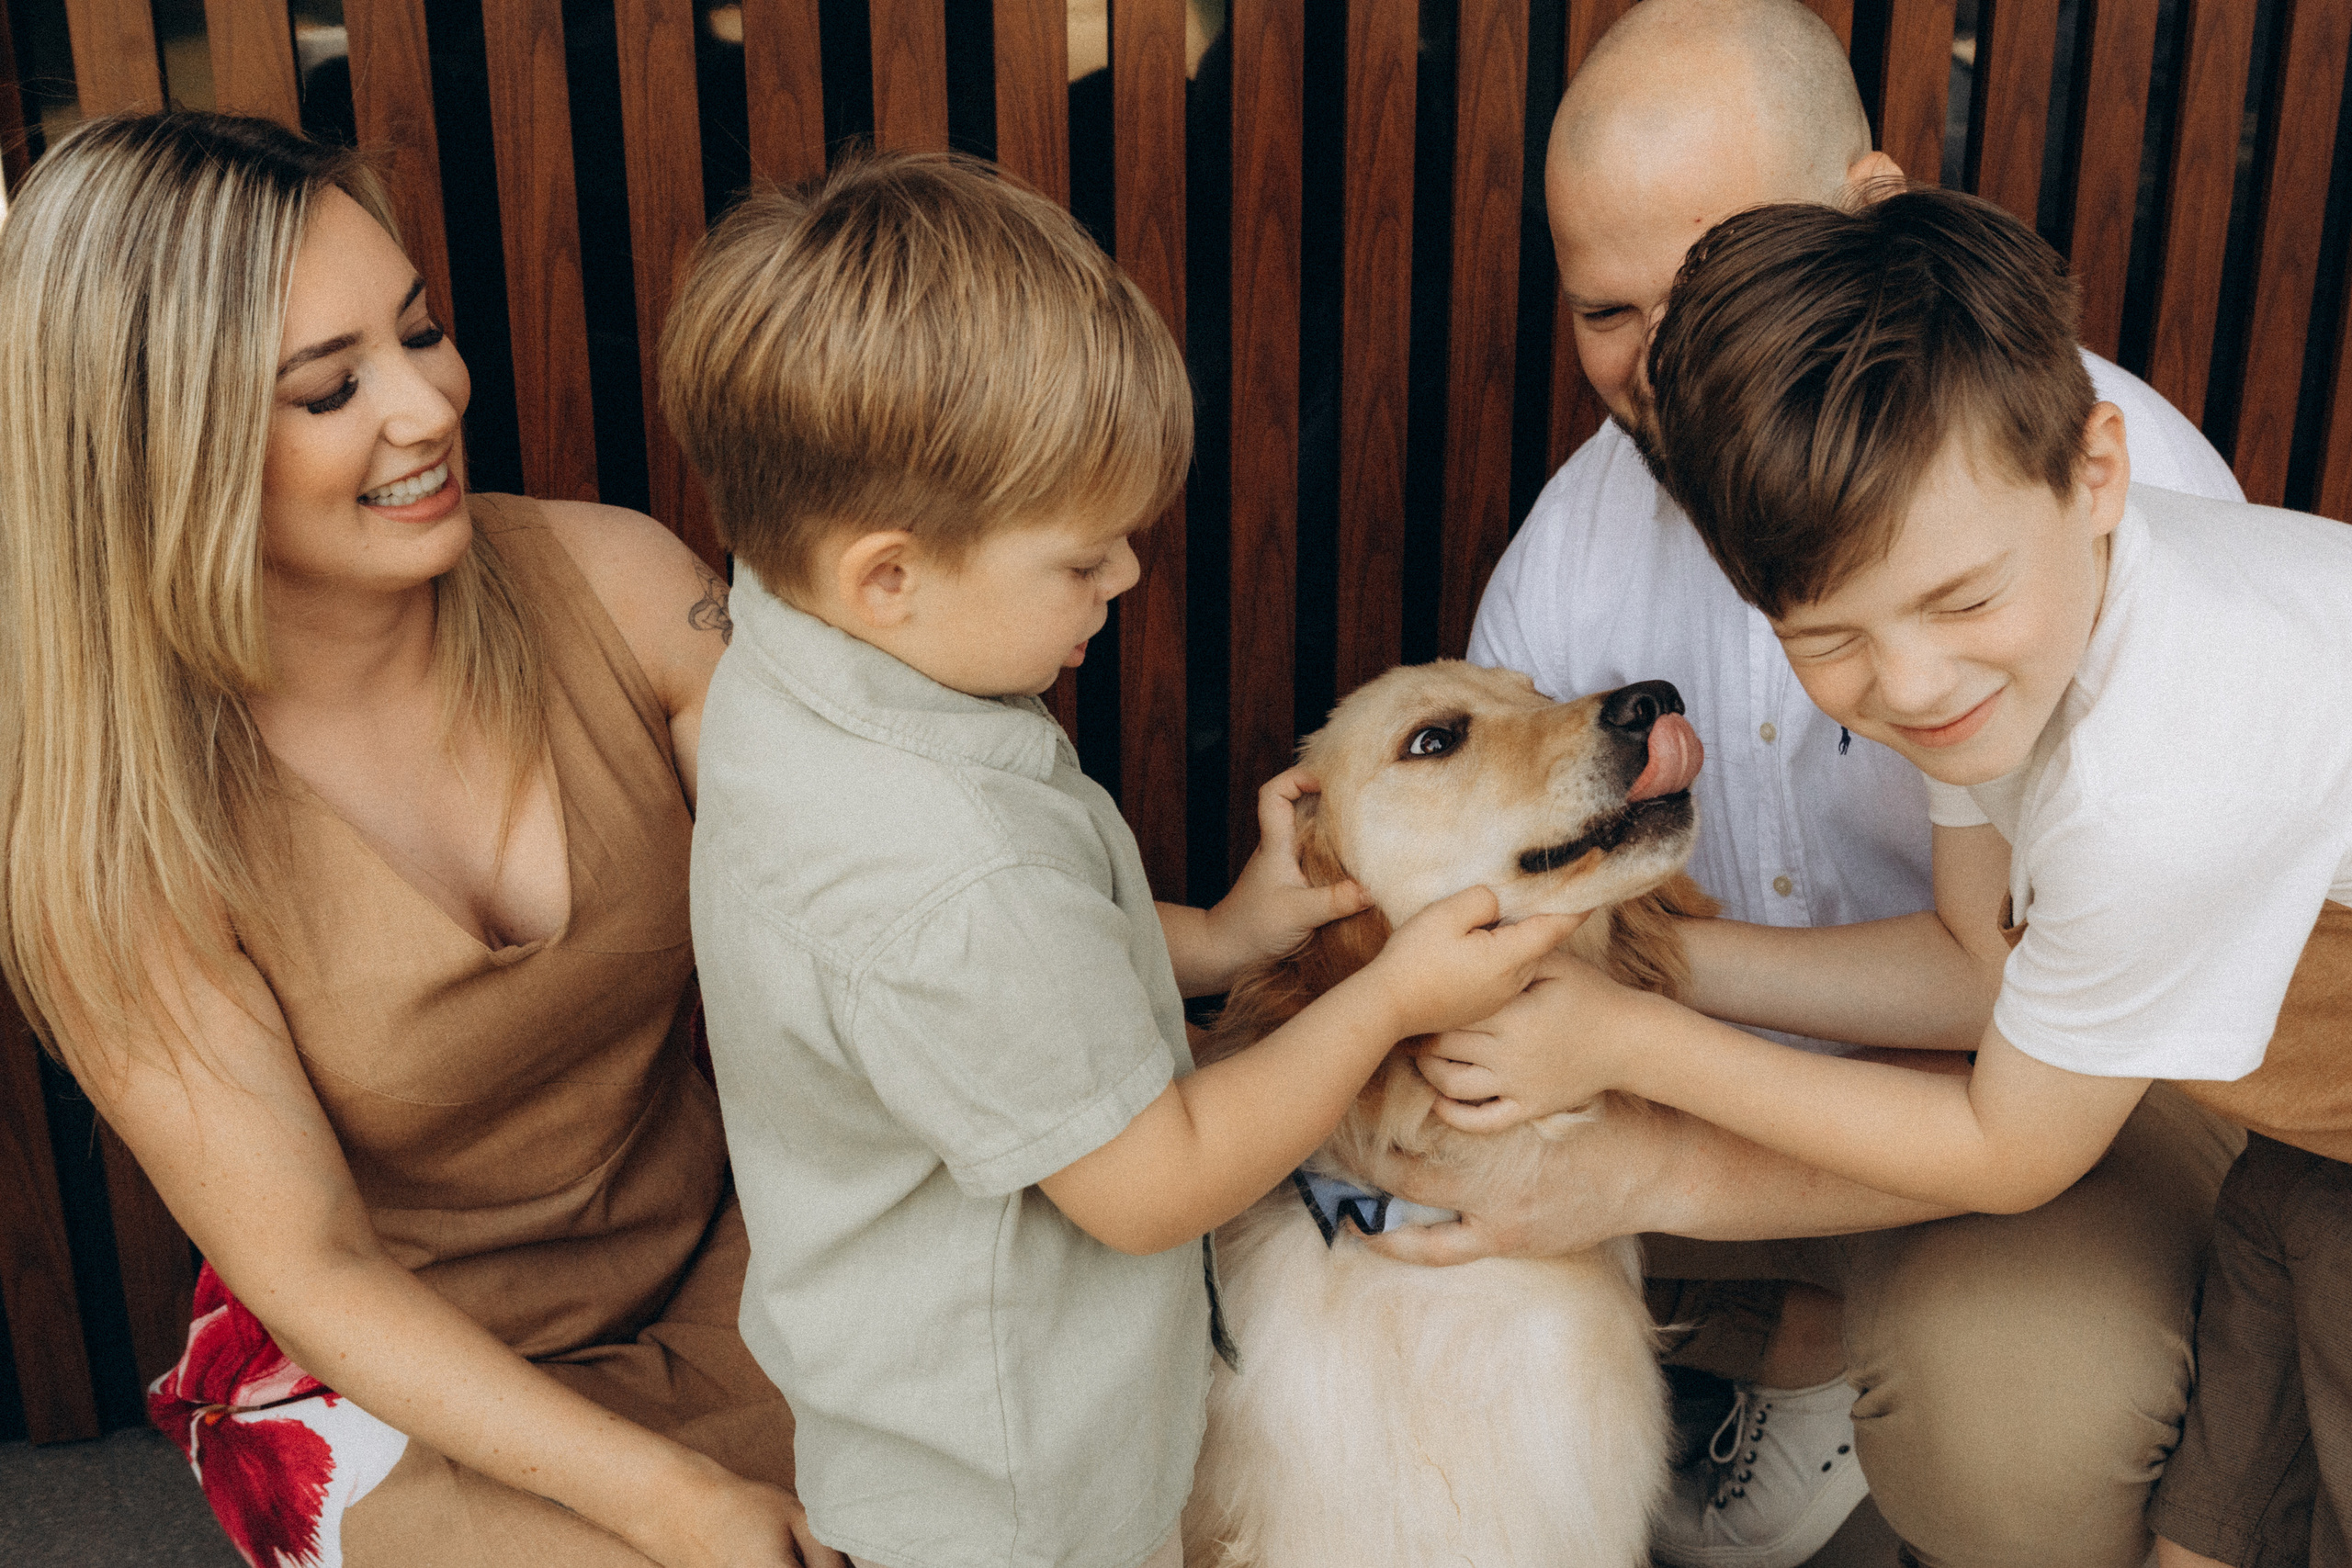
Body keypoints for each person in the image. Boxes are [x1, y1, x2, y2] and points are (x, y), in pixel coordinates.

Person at [1385, 4, 2248, 1566]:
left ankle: (1851, 1345)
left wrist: (1647, 1107)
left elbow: (2028, 1071)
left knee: (2009, 1414)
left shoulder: (2069, 523)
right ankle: (1798, 1335)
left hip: (2110, 1087)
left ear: (1867, 204)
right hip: (1805, 1057)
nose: (1663, 365)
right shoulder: (1565, 567)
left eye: (1710, 270)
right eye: (1604, 307)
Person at [667, 150, 1573, 1568]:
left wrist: (1220, 936)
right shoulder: (946, 873)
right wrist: (1392, 998)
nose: (1129, 583)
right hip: (1023, 1493)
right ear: (889, 575)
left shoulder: (796, 669)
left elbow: (1025, 982)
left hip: (907, 1413)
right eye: (1083, 563)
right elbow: (1156, 1182)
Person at [0, 113, 836, 1567]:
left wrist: (1227, 943)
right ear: (159, 452)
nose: (430, 402)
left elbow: (879, 878)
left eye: (422, 329)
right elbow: (313, 1268)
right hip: (395, 1385)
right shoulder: (113, 832)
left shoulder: (619, 581)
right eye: (329, 389)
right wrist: (671, 1499)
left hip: (727, 1254)